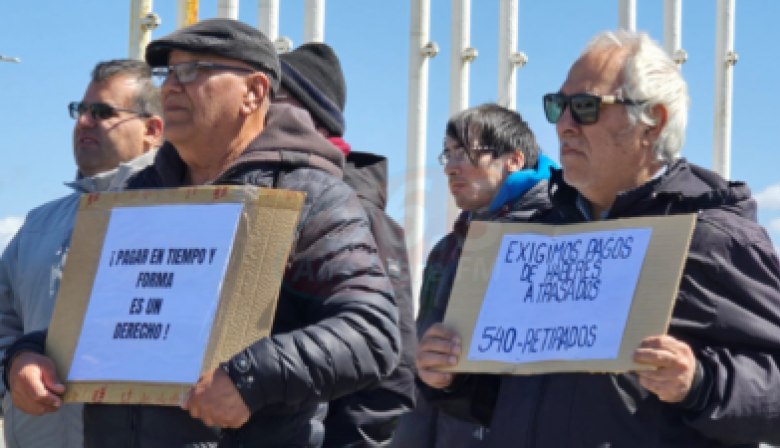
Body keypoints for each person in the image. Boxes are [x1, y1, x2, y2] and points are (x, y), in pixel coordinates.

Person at [3, 19, 400, 448]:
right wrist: (28, 356)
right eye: (168, 73)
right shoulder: (137, 196)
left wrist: (249, 378)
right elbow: (102, 322)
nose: (171, 86)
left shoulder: (309, 198)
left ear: (254, 92)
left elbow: (371, 330)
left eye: (195, 70)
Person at [416, 30, 780, 447]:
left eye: (585, 107)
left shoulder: (710, 238)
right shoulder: (535, 236)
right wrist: (450, 377)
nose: (564, 125)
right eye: (558, 106)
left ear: (652, 123)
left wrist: (700, 384)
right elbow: (508, 399)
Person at [0, 59, 163, 448]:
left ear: (152, 130)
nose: (84, 121)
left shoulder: (180, 217)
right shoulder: (38, 225)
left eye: (103, 112)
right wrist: (15, 364)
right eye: (80, 110)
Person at [273, 42, 416, 447]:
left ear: (313, 119)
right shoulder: (267, 198)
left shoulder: (357, 209)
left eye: (272, 98)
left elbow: (393, 361)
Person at [390, 103, 556, 448]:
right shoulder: (447, 247)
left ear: (514, 160)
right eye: (447, 154)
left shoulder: (552, 240)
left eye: (465, 154)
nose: (450, 168)